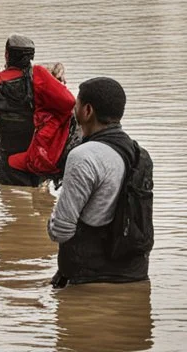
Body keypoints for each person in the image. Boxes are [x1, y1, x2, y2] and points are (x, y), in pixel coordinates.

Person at [49, 77, 152, 287]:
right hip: (135, 276)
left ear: (87, 110)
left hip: (91, 279)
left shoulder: (83, 156)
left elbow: (60, 230)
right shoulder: (140, 154)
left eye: (76, 105)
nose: (73, 110)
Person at [0, 35, 75, 186]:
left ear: (7, 54)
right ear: (31, 57)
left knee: (13, 199)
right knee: (42, 202)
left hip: (9, 156)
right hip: (39, 153)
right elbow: (69, 103)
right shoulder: (40, 76)